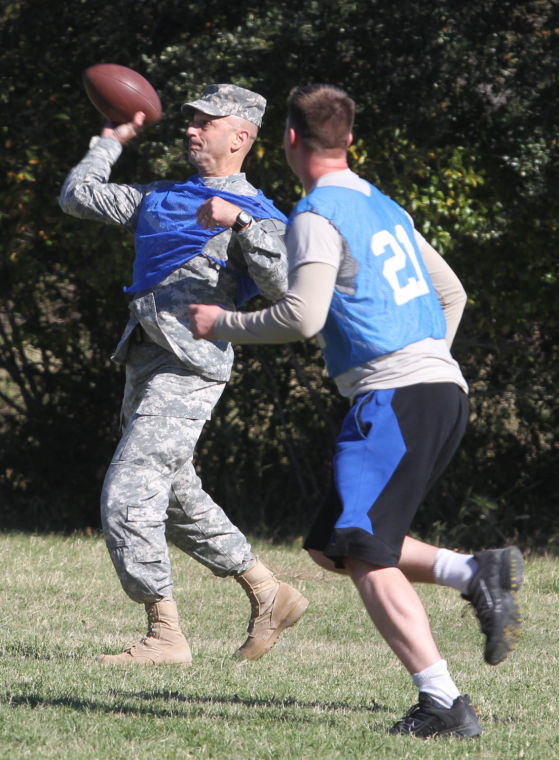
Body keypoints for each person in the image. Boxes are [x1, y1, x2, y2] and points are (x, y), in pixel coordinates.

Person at [188, 84, 524, 737]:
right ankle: (472, 571)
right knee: (330, 545)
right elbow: (449, 291)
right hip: (436, 390)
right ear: (347, 139)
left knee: (366, 553)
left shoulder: (316, 213)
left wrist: (219, 322)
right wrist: (426, 361)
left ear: (288, 138)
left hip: (396, 396)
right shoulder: (380, 204)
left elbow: (302, 314)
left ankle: (442, 704)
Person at [59, 83, 308, 666]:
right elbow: (78, 196)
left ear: (240, 136)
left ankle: (164, 635)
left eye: (206, 122)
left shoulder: (260, 212)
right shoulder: (161, 196)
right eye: (189, 120)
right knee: (173, 495)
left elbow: (290, 291)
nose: (190, 129)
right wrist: (108, 140)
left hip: (193, 366)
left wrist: (241, 223)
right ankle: (269, 593)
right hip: (145, 358)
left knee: (127, 494)